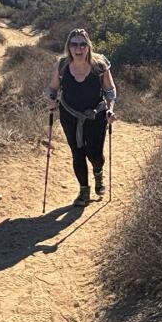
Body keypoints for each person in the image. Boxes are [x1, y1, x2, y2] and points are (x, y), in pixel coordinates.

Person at [46, 28, 117, 207]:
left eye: (83, 44)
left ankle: (98, 173)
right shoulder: (61, 65)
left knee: (95, 154)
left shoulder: (99, 66)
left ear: (88, 47)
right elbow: (53, 88)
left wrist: (110, 109)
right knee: (77, 153)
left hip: (96, 115)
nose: (79, 49)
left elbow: (109, 90)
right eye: (74, 44)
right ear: (68, 47)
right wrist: (51, 99)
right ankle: (83, 191)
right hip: (69, 115)